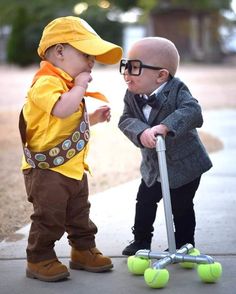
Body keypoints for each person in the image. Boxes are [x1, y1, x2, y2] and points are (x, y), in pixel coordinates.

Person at [19, 16, 122, 282]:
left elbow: (65, 123)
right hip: (47, 170)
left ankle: (82, 249)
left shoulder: (65, 86)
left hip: (72, 167)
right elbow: (62, 110)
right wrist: (79, 87)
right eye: (87, 54)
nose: (92, 62)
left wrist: (93, 119)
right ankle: (39, 258)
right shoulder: (46, 83)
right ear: (60, 51)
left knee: (79, 213)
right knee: (49, 217)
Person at [118, 37, 212, 256]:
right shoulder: (131, 94)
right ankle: (141, 241)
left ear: (161, 75)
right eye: (125, 66)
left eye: (134, 68)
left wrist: (165, 126)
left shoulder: (177, 89)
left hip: (184, 166)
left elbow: (193, 111)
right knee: (144, 202)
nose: (126, 74)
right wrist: (142, 132)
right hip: (153, 167)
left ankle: (184, 245)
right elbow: (125, 119)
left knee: (181, 206)